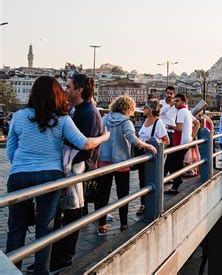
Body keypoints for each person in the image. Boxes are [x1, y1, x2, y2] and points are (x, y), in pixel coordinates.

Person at [6, 76, 110, 274]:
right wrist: (104, 136)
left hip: (19, 175)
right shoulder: (62, 118)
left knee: (16, 227)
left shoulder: (19, 116)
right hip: (49, 176)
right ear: (55, 94)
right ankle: (41, 271)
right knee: (45, 228)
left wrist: (22, 166)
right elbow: (84, 144)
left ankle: (12, 269)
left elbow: (11, 150)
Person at [49, 73, 102, 272]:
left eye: (69, 86)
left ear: (79, 90)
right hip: (72, 170)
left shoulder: (87, 112)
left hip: (77, 172)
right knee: (65, 214)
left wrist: (65, 160)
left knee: (72, 214)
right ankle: (58, 256)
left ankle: (63, 258)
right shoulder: (78, 110)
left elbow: (85, 148)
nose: (66, 89)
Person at [95, 95, 157, 235]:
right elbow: (133, 139)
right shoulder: (126, 122)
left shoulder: (104, 119)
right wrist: (148, 146)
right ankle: (123, 224)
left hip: (104, 160)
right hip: (122, 161)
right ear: (128, 108)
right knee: (123, 194)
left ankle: (102, 225)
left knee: (103, 194)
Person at [135, 99, 169, 215]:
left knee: (151, 180)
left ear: (149, 109)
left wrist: (153, 143)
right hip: (142, 155)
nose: (143, 109)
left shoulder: (158, 123)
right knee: (142, 180)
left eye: (145, 107)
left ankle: (152, 203)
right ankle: (143, 203)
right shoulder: (145, 121)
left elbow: (166, 140)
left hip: (152, 157)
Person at [165, 94, 200, 194]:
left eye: (178, 101)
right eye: (175, 101)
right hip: (186, 142)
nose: (175, 103)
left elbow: (179, 128)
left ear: (184, 102)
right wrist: (192, 136)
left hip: (180, 143)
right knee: (177, 163)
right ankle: (175, 185)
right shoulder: (188, 112)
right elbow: (197, 123)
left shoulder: (181, 112)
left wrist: (170, 127)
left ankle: (177, 182)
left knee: (170, 163)